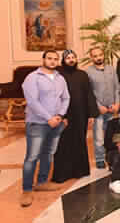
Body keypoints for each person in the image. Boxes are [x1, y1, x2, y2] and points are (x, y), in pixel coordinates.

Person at [20, 50, 70, 207]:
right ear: (43, 60)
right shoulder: (32, 78)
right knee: (32, 157)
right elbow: (32, 102)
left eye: (55, 59)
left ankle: (42, 182)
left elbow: (66, 97)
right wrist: (49, 118)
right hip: (38, 123)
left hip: (56, 122)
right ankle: (27, 189)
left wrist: (60, 115)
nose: (53, 61)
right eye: (49, 58)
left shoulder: (60, 78)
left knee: (48, 153)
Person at [52, 50, 99, 183]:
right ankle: (63, 174)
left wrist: (91, 114)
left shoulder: (82, 75)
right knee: (63, 143)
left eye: (73, 57)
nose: (71, 60)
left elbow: (89, 94)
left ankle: (80, 170)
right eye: (68, 58)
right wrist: (62, 115)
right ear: (63, 60)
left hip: (81, 115)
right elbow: (56, 96)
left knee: (79, 141)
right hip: (64, 115)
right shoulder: (59, 75)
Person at [86, 47, 120, 169]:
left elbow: (117, 87)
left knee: (111, 136)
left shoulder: (111, 68)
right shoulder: (88, 72)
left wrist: (117, 104)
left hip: (112, 109)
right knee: (99, 137)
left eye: (100, 55)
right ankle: (100, 158)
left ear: (103, 55)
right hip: (99, 111)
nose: (98, 57)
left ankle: (110, 157)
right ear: (92, 57)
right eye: (95, 56)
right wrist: (98, 106)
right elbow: (89, 92)